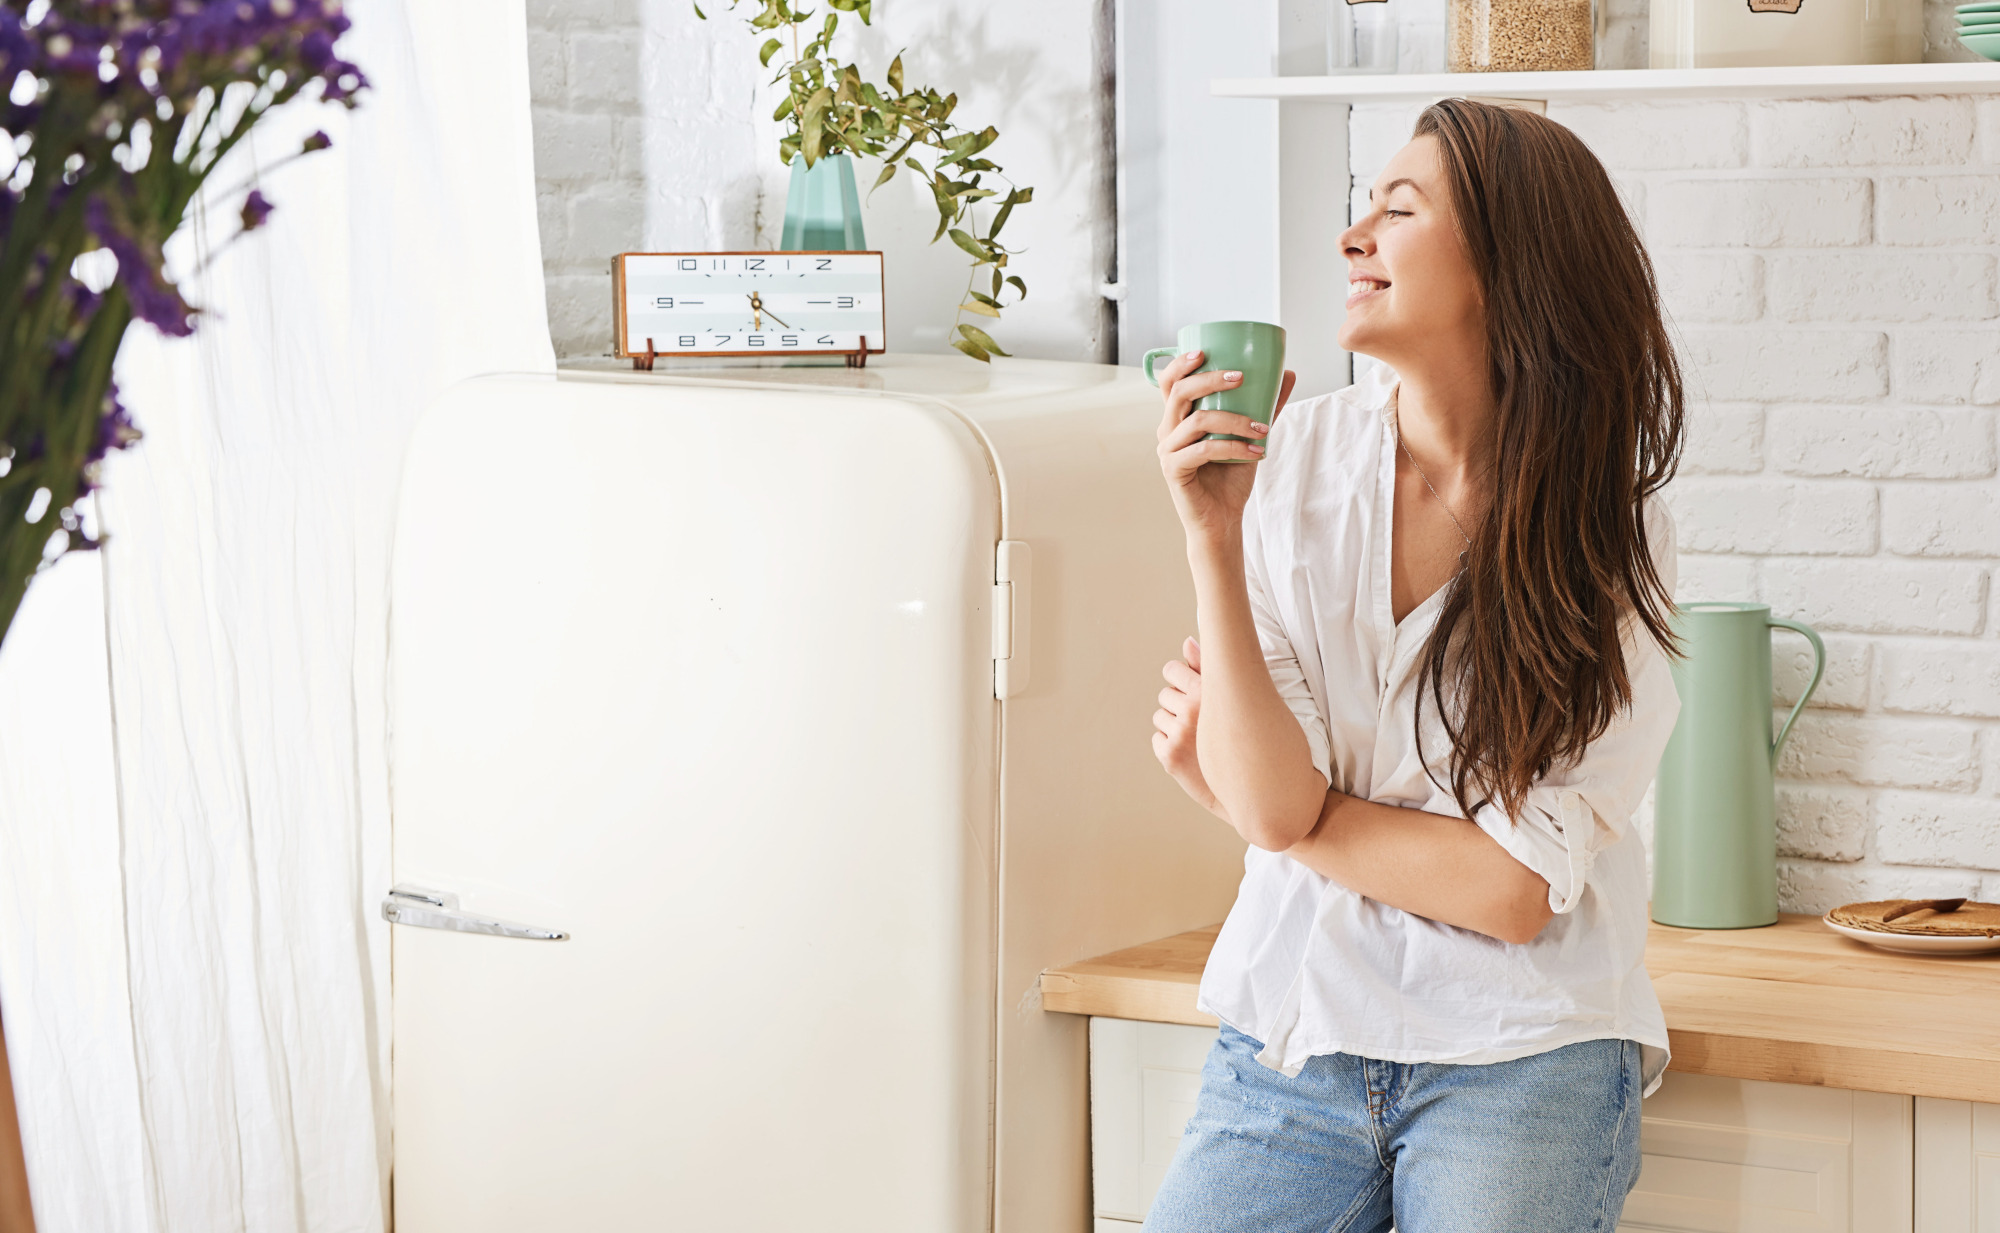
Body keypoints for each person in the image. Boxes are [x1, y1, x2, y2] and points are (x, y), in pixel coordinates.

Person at [1144, 98, 1685, 1232]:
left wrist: (1285, 820)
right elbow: (1270, 795)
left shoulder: (1605, 528)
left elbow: (1507, 893)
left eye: (1397, 211)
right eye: (1359, 209)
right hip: (1291, 1036)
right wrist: (1210, 532)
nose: (1352, 238)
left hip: (1518, 1053)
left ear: (1506, 262)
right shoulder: (1285, 465)